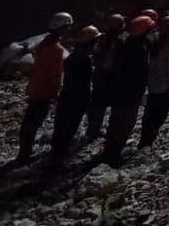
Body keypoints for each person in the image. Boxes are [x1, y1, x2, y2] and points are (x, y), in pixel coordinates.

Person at [16, 12, 73, 164]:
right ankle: (24, 156)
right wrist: (55, 93)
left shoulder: (43, 44)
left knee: (29, 123)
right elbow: (54, 75)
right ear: (62, 28)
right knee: (32, 124)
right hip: (44, 92)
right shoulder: (56, 49)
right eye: (68, 27)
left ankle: (23, 152)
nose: (69, 31)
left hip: (35, 88)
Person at [102, 15, 153, 166]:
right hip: (131, 92)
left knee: (115, 122)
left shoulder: (124, 43)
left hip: (119, 90)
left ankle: (108, 151)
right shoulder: (140, 49)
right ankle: (114, 155)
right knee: (125, 124)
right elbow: (141, 72)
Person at [50, 25, 99, 170]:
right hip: (76, 99)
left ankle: (55, 157)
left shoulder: (73, 56)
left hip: (66, 96)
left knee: (60, 128)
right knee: (68, 130)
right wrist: (87, 101)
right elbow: (84, 84)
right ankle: (58, 162)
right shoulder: (85, 59)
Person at [139, 15, 169, 149]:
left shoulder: (153, 41)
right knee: (160, 115)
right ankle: (149, 142)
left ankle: (144, 140)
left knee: (149, 114)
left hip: (151, 85)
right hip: (163, 87)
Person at [87, 14, 126, 140]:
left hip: (100, 74)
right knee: (107, 103)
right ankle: (99, 130)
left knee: (97, 103)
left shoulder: (102, 38)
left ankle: (93, 129)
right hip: (111, 76)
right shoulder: (120, 41)